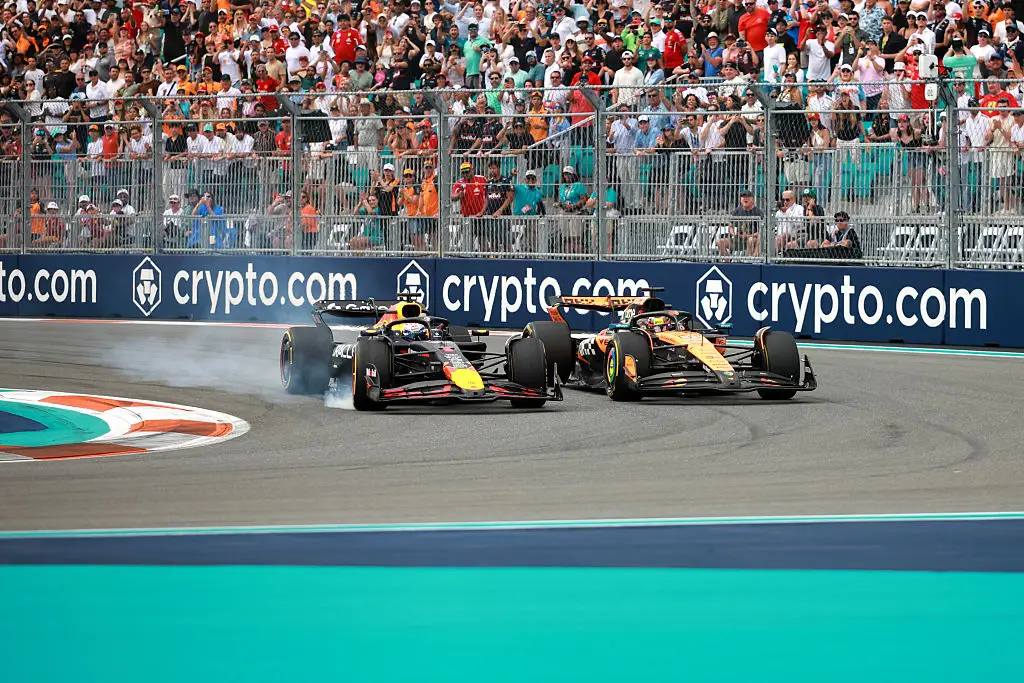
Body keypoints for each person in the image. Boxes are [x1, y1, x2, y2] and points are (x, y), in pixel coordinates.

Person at [719, 190, 761, 257]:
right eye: (743, 197)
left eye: (747, 197)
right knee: (720, 242)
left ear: (752, 199)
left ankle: (749, 261)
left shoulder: (758, 212)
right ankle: (727, 262)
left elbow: (761, 232)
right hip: (738, 240)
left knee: (751, 240)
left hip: (752, 239)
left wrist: (747, 236)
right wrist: (733, 233)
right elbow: (730, 226)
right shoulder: (737, 210)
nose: (745, 198)